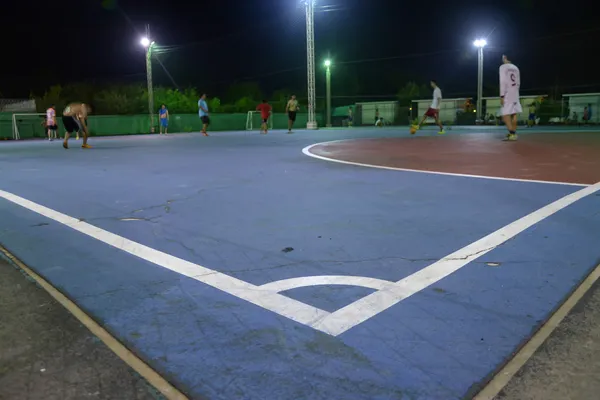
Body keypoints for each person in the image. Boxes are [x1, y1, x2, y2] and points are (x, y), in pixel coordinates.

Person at [499, 54, 522, 141]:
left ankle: (512, 134)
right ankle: (513, 133)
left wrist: (502, 95)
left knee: (505, 114)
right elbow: (518, 82)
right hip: (515, 92)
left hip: (507, 92)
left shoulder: (503, 67)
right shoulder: (516, 68)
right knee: (514, 113)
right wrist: (516, 92)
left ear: (505, 58)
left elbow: (503, 81)